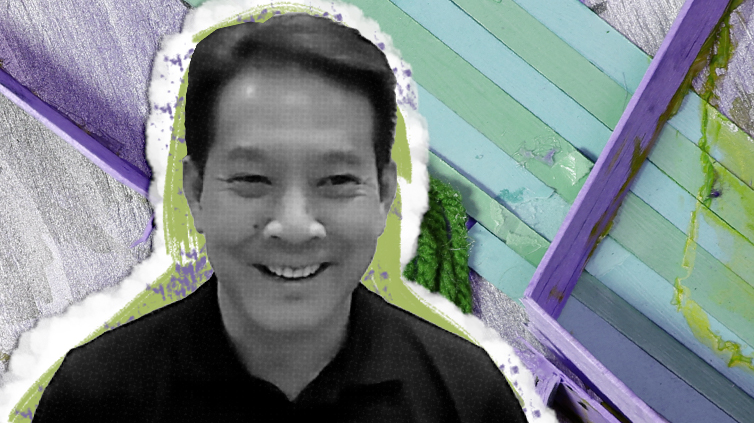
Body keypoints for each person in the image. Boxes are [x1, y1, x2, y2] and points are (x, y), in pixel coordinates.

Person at [33, 13, 527, 423]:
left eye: (336, 180)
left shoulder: (465, 397)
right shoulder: (94, 399)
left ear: (382, 196)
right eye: (252, 178)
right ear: (196, 192)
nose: (294, 226)